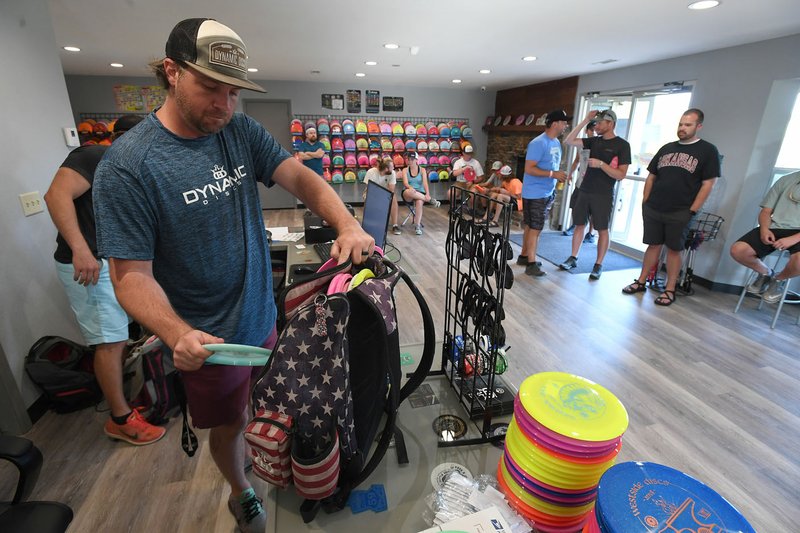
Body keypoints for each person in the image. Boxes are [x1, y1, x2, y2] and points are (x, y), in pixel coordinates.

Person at [92, 18, 373, 533]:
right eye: (210, 89)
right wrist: (178, 335)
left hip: (261, 315)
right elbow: (130, 276)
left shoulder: (238, 131)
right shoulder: (129, 166)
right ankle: (242, 492)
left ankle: (258, 459)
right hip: (208, 341)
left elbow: (299, 176)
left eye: (233, 92)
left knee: (266, 405)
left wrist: (347, 221)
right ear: (172, 73)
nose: (224, 105)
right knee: (231, 425)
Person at [44, 114, 166, 447]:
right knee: (109, 340)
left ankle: (129, 396)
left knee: (120, 334)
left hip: (111, 262)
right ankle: (121, 419)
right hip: (88, 265)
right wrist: (81, 250)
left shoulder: (126, 170)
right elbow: (56, 196)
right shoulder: (94, 156)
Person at [621, 108, 720, 306]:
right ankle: (641, 281)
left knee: (675, 249)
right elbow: (652, 175)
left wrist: (692, 210)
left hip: (681, 210)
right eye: (681, 124)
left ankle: (670, 289)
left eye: (688, 125)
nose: (682, 128)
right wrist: (645, 200)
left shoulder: (708, 151)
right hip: (655, 207)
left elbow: (709, 183)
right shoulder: (667, 148)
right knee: (653, 245)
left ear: (698, 126)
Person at [559, 110, 631, 280]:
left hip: (603, 193)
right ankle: (573, 257)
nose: (596, 126)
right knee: (578, 225)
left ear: (610, 123)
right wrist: (586, 119)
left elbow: (621, 174)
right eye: (595, 123)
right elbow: (568, 140)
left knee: (603, 230)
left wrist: (601, 165)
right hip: (585, 189)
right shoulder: (593, 141)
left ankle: (598, 264)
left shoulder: (622, 145)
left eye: (599, 123)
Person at [729, 171, 800, 303]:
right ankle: (766, 274)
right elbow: (766, 211)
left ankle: (779, 280)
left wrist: (793, 239)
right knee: (738, 250)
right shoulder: (786, 180)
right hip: (775, 227)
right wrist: (764, 229)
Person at [518, 110, 571, 276]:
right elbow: (529, 168)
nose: (566, 125)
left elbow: (551, 166)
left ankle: (525, 256)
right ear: (554, 123)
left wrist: (558, 175)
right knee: (536, 228)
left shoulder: (555, 142)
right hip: (535, 193)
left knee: (530, 225)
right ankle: (532, 264)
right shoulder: (538, 143)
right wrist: (552, 174)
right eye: (563, 122)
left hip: (547, 191)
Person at [563, 121, 596, 240]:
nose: (594, 132)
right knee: (574, 204)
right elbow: (577, 160)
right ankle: (574, 225)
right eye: (592, 130)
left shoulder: (599, 145)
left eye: (596, 130)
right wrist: (570, 173)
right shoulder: (580, 144)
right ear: (587, 131)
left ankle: (590, 233)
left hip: (593, 185)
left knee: (592, 210)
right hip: (580, 182)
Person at [400, 152, 440, 235]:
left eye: (412, 159)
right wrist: (410, 187)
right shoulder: (405, 170)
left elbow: (425, 183)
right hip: (408, 192)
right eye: (408, 159)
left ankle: (417, 226)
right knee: (410, 191)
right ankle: (430, 201)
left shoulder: (422, 170)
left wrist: (428, 194)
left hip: (420, 193)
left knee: (419, 202)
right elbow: (405, 183)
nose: (410, 161)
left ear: (416, 160)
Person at [364, 157, 402, 234]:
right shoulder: (371, 172)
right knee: (368, 198)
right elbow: (369, 190)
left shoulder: (392, 173)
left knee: (393, 197)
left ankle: (395, 225)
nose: (394, 168)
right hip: (372, 194)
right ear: (386, 168)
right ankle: (368, 223)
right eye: (392, 167)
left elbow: (391, 190)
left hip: (385, 193)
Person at [449, 145, 485, 210]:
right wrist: (464, 169)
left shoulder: (476, 163)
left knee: (474, 193)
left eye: (470, 153)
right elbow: (454, 174)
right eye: (467, 154)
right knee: (450, 193)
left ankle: (472, 210)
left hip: (472, 183)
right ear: (463, 153)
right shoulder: (458, 162)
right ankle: (453, 208)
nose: (469, 155)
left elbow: (481, 177)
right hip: (460, 183)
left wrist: (473, 181)